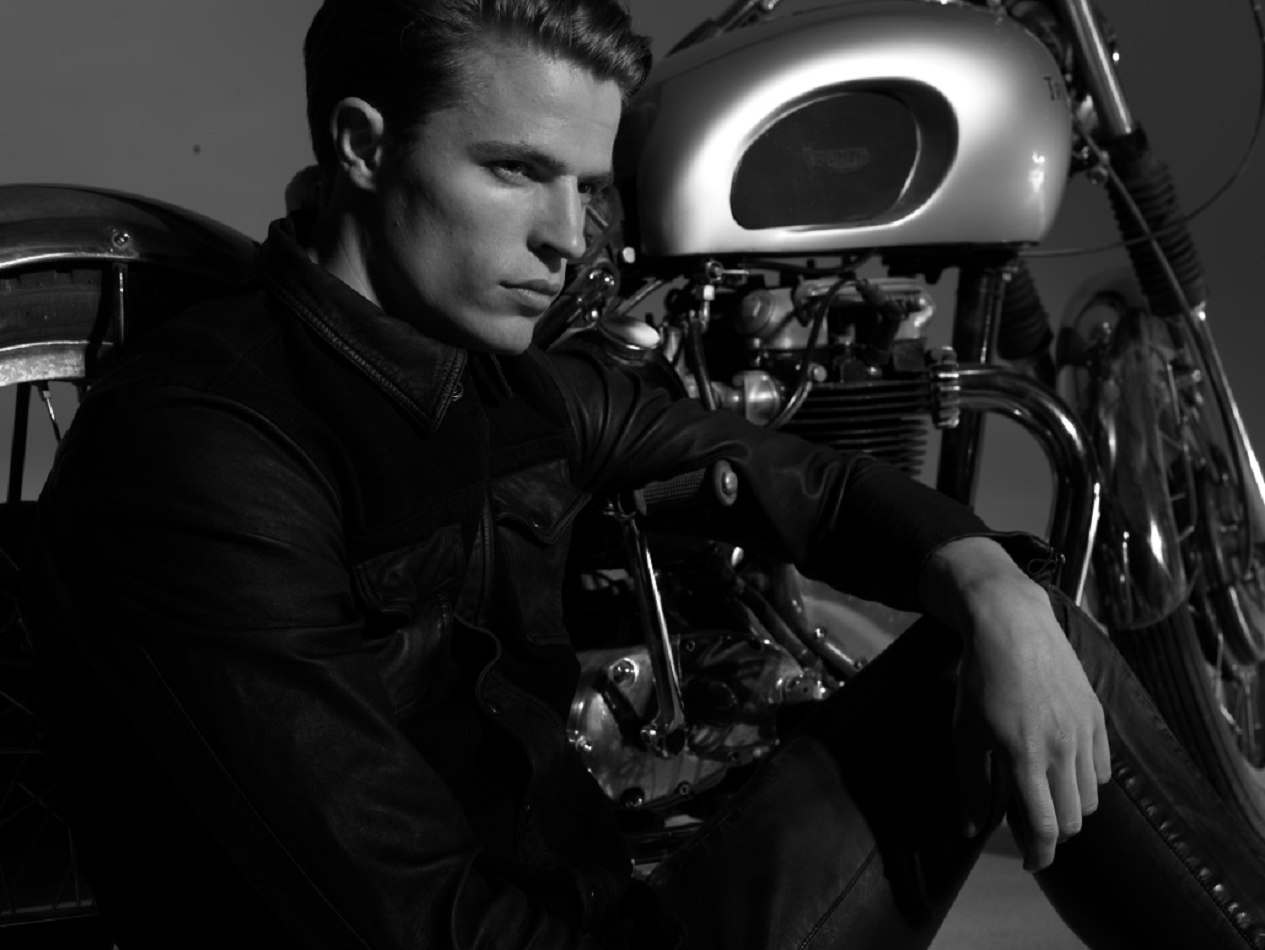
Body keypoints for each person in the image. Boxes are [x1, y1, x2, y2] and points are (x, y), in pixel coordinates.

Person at [30, 1, 1265, 947]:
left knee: (1010, 615)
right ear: (361, 145)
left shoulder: (503, 382)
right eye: (515, 170)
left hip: (592, 900)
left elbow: (806, 481)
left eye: (584, 187)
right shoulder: (212, 448)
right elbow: (405, 923)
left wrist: (987, 584)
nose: (567, 239)